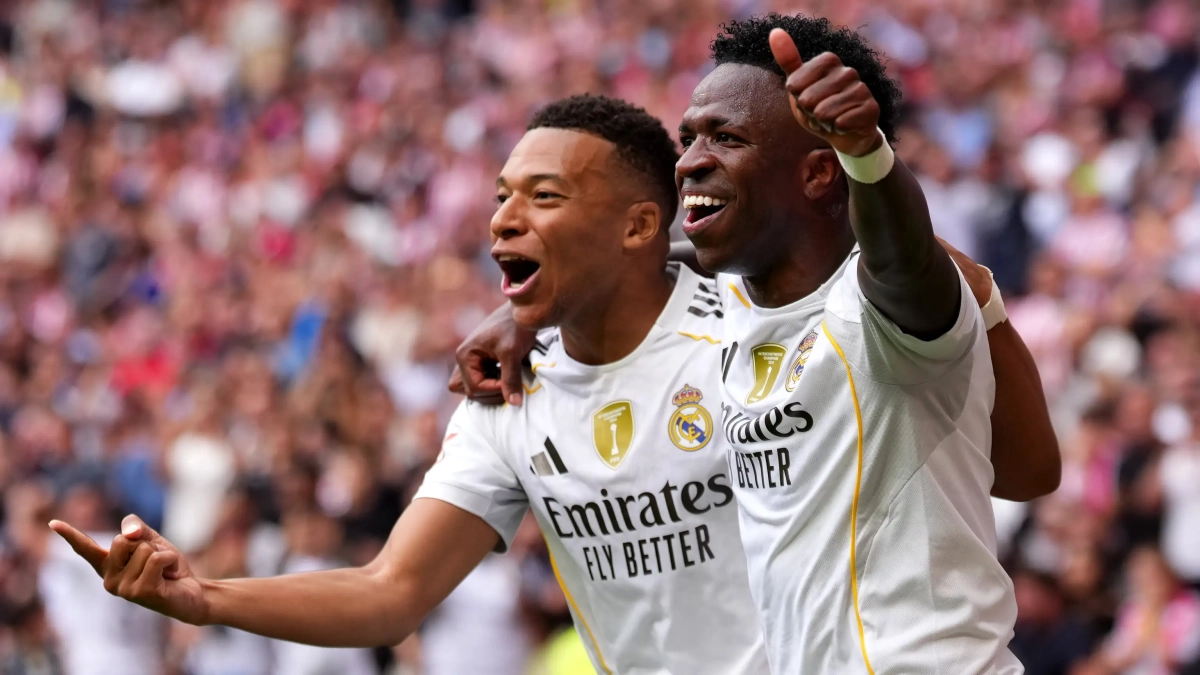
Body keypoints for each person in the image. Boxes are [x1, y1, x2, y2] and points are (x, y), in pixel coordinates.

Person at [45, 95, 770, 675]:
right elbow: (390, 589)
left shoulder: (756, 324)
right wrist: (206, 597)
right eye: (500, 196)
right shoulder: (507, 392)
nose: (503, 220)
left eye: (543, 196)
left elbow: (862, 262)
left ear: (640, 224)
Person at [455, 13, 1060, 674]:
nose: (688, 161)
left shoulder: (883, 306)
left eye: (726, 136)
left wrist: (867, 154)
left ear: (817, 174)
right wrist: (540, 305)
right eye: (688, 137)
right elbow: (665, 255)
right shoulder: (738, 295)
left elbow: (904, 260)